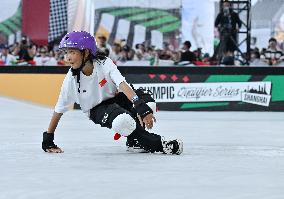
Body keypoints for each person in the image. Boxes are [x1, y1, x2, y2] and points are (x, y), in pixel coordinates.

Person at [41, 31, 183, 155]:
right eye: (66, 53)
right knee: (122, 121)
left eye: (72, 52)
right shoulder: (71, 80)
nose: (67, 58)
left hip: (117, 97)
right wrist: (48, 140)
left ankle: (134, 141)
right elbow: (59, 110)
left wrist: (140, 105)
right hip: (97, 108)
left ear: (86, 52)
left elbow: (122, 84)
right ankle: (160, 144)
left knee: (148, 105)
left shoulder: (104, 63)